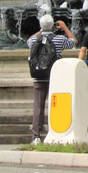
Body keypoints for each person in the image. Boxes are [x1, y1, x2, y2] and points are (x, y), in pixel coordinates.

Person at [26, 15, 75, 144]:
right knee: (56, 107)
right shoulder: (59, 39)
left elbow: (28, 40)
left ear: (41, 26)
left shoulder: (34, 40)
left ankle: (36, 136)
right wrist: (64, 28)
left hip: (38, 77)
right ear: (53, 26)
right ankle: (56, 134)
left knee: (38, 108)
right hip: (55, 78)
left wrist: (42, 30)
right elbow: (74, 41)